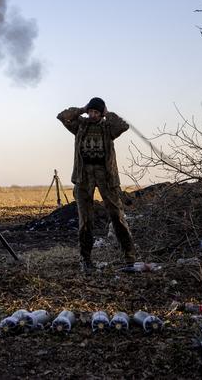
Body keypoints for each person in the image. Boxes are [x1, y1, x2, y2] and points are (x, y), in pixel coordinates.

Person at [57, 97, 136, 272]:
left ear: (101, 113)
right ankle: (85, 260)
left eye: (96, 112)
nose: (93, 115)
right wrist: (82, 109)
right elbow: (62, 116)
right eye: (91, 111)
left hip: (106, 176)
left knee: (117, 216)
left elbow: (123, 126)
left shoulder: (108, 127)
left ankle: (129, 258)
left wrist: (108, 113)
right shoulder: (80, 125)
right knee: (85, 219)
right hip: (83, 176)